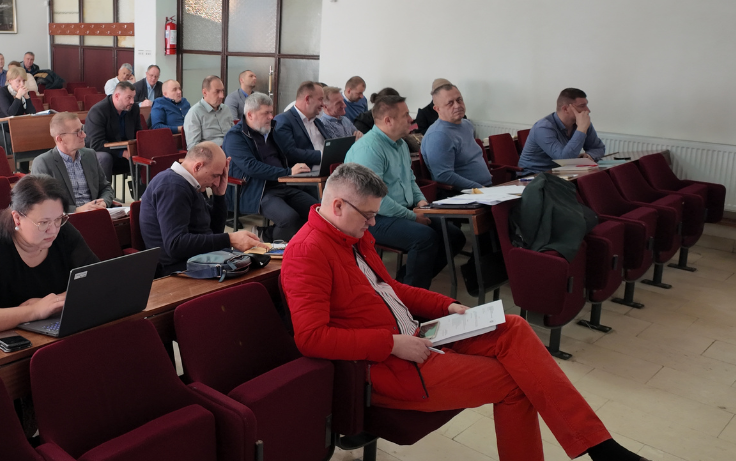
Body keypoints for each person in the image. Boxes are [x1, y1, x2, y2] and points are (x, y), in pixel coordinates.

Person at [280, 163, 654, 461]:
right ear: (338, 206)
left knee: (513, 327)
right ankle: (598, 447)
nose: (373, 223)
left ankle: (600, 446)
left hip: (416, 337)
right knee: (517, 383)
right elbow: (311, 339)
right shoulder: (307, 252)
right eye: (368, 215)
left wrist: (447, 305)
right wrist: (391, 344)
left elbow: (390, 289)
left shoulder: (353, 236)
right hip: (389, 366)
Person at [0, 175, 99, 339]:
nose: (53, 230)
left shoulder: (64, 232)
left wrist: (57, 301)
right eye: (43, 223)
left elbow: (98, 278)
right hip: (8, 341)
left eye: (59, 219)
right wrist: (33, 311)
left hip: (59, 331)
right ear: (17, 218)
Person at [345, 94, 464, 289]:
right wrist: (413, 216)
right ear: (388, 120)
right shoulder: (369, 149)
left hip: (401, 210)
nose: (411, 119)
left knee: (454, 236)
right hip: (370, 217)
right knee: (424, 238)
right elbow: (376, 200)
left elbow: (410, 179)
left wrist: (421, 202)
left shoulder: (400, 144)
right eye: (405, 115)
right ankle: (409, 295)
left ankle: (402, 285)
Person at [140, 142, 262, 275]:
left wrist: (219, 196)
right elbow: (175, 245)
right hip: (179, 269)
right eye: (215, 175)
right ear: (198, 166)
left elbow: (213, 232)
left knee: (259, 264)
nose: (216, 182)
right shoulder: (172, 186)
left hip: (201, 260)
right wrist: (230, 239)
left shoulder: (190, 184)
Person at [224, 92, 316, 241]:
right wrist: (288, 172)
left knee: (317, 212)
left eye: (271, 112)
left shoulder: (271, 131)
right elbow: (251, 167)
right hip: (255, 190)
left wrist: (304, 167)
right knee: (288, 219)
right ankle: (270, 243)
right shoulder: (235, 137)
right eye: (266, 113)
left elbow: (287, 153)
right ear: (250, 115)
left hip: (283, 184)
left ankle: (266, 234)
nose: (271, 117)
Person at [31, 112, 115, 213]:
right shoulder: (43, 163)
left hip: (96, 213)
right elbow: (42, 202)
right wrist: (77, 210)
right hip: (65, 219)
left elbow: (106, 187)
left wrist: (104, 202)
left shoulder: (90, 155)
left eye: (82, 129)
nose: (84, 135)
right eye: (77, 132)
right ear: (60, 139)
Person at [420, 83, 493, 190]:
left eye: (459, 100)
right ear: (437, 109)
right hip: (464, 193)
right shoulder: (438, 135)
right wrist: (479, 188)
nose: (457, 106)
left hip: (485, 188)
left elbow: (472, 158)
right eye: (450, 103)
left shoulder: (467, 124)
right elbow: (443, 176)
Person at [518, 88, 605, 173]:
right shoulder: (543, 127)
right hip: (534, 175)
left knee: (599, 176)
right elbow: (565, 159)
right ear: (565, 109)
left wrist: (589, 155)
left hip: (562, 171)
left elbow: (598, 148)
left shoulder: (582, 123)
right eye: (582, 106)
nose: (588, 110)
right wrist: (581, 129)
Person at [85, 80, 139, 179]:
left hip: (126, 150)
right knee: (105, 158)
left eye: (133, 97)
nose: (132, 101)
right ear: (117, 96)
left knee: (148, 154)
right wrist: (123, 153)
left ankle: (144, 188)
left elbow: (138, 133)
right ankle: (105, 189)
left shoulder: (134, 108)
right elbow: (96, 144)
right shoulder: (98, 111)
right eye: (129, 98)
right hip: (101, 151)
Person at [273, 81, 332, 167]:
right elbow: (289, 153)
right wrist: (322, 155)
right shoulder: (284, 120)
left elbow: (329, 145)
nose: (323, 104)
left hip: (327, 170)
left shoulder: (317, 122)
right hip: (304, 173)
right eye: (320, 99)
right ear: (307, 99)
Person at [0, 66, 37, 149]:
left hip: (15, 129)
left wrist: (27, 97)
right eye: (18, 81)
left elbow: (32, 114)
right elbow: (10, 113)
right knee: (14, 142)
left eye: (23, 81)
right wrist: (18, 96)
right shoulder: (2, 92)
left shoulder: (23, 93)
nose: (22, 84)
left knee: (31, 140)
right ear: (10, 81)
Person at [184, 75, 235, 149]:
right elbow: (193, 147)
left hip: (232, 148)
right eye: (217, 91)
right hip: (211, 152)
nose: (222, 96)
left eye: (222, 91)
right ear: (205, 92)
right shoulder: (194, 113)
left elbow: (234, 133)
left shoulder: (225, 109)